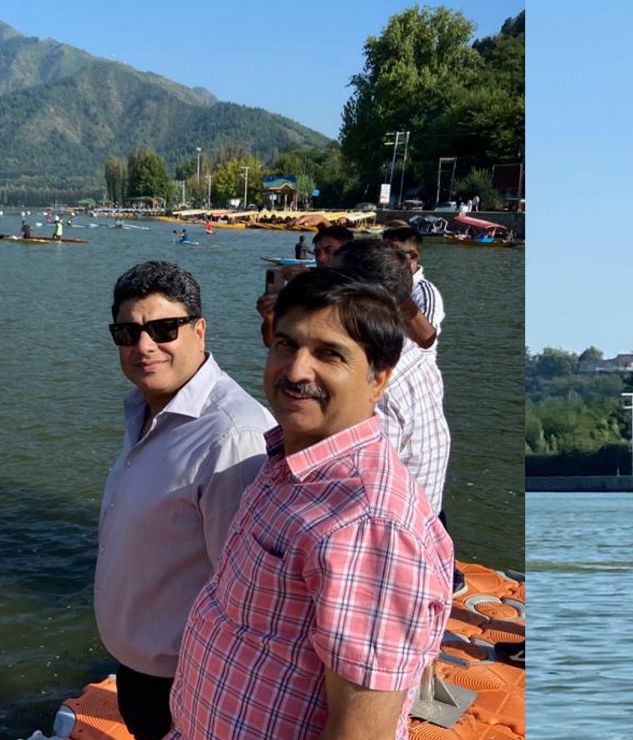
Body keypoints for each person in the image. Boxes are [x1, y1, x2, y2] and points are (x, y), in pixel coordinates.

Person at [171, 268, 452, 737]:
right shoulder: (290, 458)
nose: (296, 370)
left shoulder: (369, 524)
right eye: (286, 344)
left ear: (378, 380)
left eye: (329, 354)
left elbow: (361, 732)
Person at [95, 262, 271, 738]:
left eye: (163, 329)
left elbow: (244, 595)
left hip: (188, 679)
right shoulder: (147, 410)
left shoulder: (231, 437)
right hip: (141, 665)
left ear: (198, 330)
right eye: (128, 332)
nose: (144, 346)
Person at [326, 239, 451, 516]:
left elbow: (361, 491)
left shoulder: (372, 387)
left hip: (388, 534)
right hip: (428, 516)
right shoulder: (415, 358)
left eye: (331, 284)